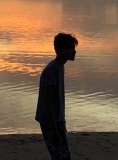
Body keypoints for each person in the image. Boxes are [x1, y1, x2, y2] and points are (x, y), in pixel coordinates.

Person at [35, 32, 78, 160]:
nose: (74, 52)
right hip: (51, 121)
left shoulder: (59, 67)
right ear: (61, 50)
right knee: (62, 156)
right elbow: (46, 100)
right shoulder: (52, 69)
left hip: (57, 119)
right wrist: (54, 129)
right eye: (71, 48)